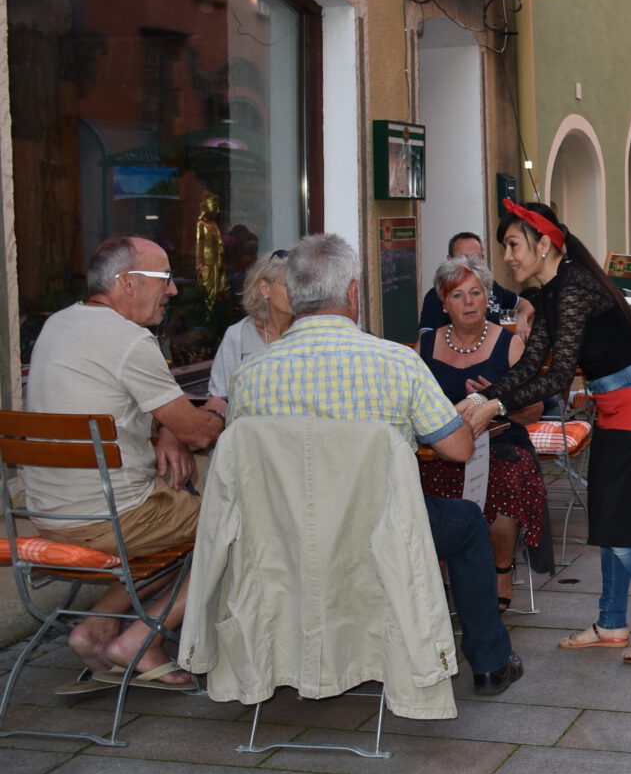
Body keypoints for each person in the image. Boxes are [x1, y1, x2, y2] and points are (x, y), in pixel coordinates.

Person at [228, 234, 524, 695]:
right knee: (465, 520)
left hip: (283, 533)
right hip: (378, 529)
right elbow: (459, 452)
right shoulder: (396, 363)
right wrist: (474, 413)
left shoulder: (249, 376)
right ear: (352, 293)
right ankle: (490, 661)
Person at [456, 202, 631, 664]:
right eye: (505, 246)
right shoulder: (555, 290)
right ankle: (612, 621)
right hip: (617, 401)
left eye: (513, 244)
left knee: (620, 527)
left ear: (544, 244)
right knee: (608, 517)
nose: (508, 256)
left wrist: (494, 404)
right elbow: (528, 363)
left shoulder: (572, 288)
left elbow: (557, 378)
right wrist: (485, 400)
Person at [21, 236, 226, 687]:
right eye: (165, 279)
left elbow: (120, 407)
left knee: (180, 513)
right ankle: (141, 639)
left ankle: (96, 627)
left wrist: (164, 432)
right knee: (238, 521)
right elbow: (198, 432)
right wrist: (220, 406)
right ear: (127, 283)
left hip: (48, 514)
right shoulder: (129, 340)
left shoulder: (56, 324)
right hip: (117, 517)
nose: (173, 291)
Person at [418, 255, 549, 611]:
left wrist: (501, 399)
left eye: (475, 292)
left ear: (487, 297)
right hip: (441, 450)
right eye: (457, 295)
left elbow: (535, 411)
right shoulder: (425, 348)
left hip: (503, 444)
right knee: (416, 483)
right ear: (444, 303)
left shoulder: (509, 345)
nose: (469, 302)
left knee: (504, 484)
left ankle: (501, 570)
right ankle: (441, 575)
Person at [208, 248, 294, 404]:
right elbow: (220, 397)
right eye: (289, 285)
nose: (297, 292)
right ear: (265, 288)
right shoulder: (238, 336)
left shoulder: (307, 331)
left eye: (300, 285)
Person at [418, 232, 529, 332]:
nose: (469, 263)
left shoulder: (491, 286)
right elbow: (425, 339)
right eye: (462, 257)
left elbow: (524, 304)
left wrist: (522, 317)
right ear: (450, 260)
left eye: (476, 258)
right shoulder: (438, 294)